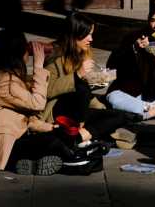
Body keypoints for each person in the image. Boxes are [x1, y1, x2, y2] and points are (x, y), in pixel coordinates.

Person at [0, 28, 63, 175]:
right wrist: (38, 66)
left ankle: (27, 164)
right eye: (25, 49)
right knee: (54, 143)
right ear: (17, 54)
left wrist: (48, 127)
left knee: (57, 137)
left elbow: (17, 117)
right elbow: (37, 103)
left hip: (9, 138)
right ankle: (21, 163)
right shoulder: (4, 81)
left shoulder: (0, 75)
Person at [37, 12, 133, 147]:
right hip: (60, 112)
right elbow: (48, 90)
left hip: (80, 111)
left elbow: (86, 92)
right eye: (87, 34)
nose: (91, 39)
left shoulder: (82, 53)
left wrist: (97, 88)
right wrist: (77, 75)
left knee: (120, 116)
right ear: (74, 35)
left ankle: (78, 136)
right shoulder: (55, 56)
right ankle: (81, 133)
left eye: (91, 34)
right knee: (81, 89)